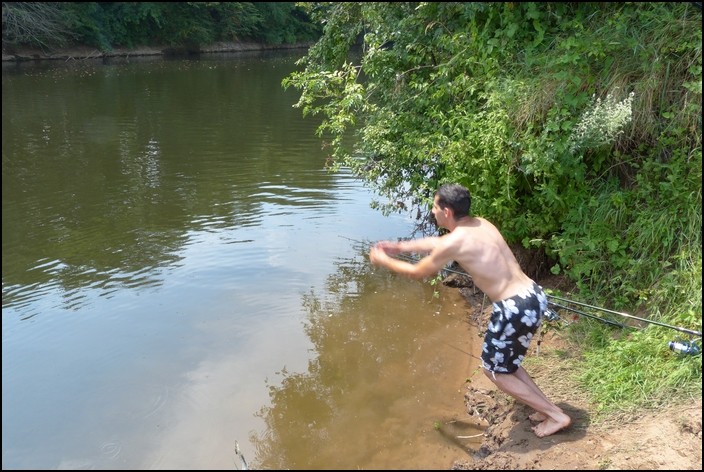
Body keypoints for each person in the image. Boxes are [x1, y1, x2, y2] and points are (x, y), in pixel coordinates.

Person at [368, 183, 571, 438]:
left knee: (494, 370)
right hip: (532, 295)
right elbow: (438, 242)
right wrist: (400, 247)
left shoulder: (455, 241)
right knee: (509, 363)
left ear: (447, 212)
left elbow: (420, 272)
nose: (432, 211)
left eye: (434, 206)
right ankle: (545, 409)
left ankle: (556, 415)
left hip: (513, 308)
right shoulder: (480, 224)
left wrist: (384, 260)